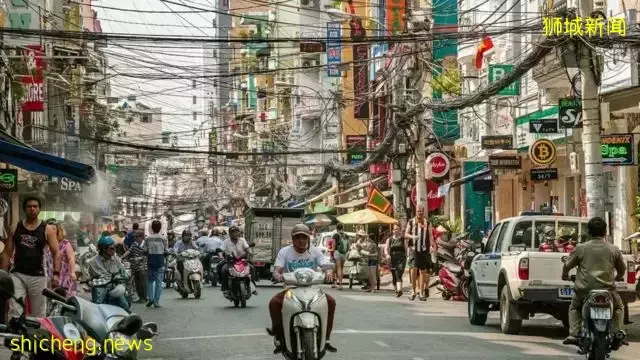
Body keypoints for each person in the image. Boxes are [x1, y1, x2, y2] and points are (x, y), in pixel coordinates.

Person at [266, 224, 337, 354]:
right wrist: (277, 275)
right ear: (293, 240)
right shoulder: (285, 251)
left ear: (308, 239)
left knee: (331, 302)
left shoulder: (315, 251)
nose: (301, 240)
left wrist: (329, 272)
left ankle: (326, 338)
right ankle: (279, 335)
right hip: (290, 289)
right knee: (274, 303)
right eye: (298, 237)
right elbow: (277, 270)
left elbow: (325, 265)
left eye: (304, 237)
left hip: (313, 289)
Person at [562, 217, 627, 347]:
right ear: (605, 232)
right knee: (619, 307)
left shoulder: (581, 248)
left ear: (589, 232)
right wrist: (619, 276)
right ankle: (618, 331)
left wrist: (564, 275)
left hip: (584, 291)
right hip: (608, 291)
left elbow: (567, 266)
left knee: (574, 307)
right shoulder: (613, 249)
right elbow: (622, 269)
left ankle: (574, 334)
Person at [3, 195, 61, 317]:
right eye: (29, 206)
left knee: (38, 313)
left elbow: (56, 252)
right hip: (17, 274)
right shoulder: (15, 227)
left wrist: (56, 274)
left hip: (38, 276)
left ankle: (36, 336)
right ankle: (15, 335)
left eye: (35, 206)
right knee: (15, 310)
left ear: (39, 209)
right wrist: (3, 273)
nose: (32, 209)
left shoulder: (47, 229)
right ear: (25, 209)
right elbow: (8, 252)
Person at [87, 236, 129, 311]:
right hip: (101, 288)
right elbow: (100, 277)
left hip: (114, 287)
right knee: (99, 308)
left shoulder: (116, 259)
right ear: (103, 249)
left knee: (125, 307)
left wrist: (123, 275)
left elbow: (122, 271)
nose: (114, 250)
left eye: (115, 247)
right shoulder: (93, 262)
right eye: (112, 248)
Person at [405, 207, 434, 301]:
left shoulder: (427, 223)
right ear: (416, 212)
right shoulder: (411, 222)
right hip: (413, 249)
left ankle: (421, 293)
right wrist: (413, 236)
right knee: (413, 269)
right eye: (418, 211)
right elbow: (406, 234)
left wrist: (431, 246)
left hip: (424, 250)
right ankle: (413, 291)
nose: (420, 212)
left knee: (422, 271)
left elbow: (430, 235)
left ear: (423, 212)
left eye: (421, 211)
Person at [219, 225, 257, 295]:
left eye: (236, 232)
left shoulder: (242, 240)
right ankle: (224, 288)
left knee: (251, 267)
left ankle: (253, 286)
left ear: (239, 233)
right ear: (230, 233)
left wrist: (251, 253)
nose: (235, 234)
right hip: (230, 261)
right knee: (223, 269)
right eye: (233, 232)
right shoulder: (226, 241)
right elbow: (221, 250)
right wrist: (221, 256)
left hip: (242, 260)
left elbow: (247, 248)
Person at [45, 222, 78, 297]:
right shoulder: (46, 244)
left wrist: (73, 272)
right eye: (49, 229)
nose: (51, 231)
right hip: (49, 273)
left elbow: (71, 258)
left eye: (53, 229)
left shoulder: (65, 243)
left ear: (58, 231)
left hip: (64, 275)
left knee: (63, 297)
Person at [145, 220, 168, 308]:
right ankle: (156, 301)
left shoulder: (147, 238)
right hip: (160, 261)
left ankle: (150, 298)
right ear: (160, 228)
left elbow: (145, 251)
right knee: (159, 282)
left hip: (150, 261)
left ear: (152, 228)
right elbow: (166, 250)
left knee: (150, 281)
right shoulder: (164, 238)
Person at [122, 229, 147, 304]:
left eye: (137, 237)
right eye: (135, 237)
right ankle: (141, 298)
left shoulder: (145, 244)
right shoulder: (134, 244)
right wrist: (122, 257)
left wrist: (139, 258)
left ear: (141, 237)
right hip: (135, 266)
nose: (135, 238)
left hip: (143, 266)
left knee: (143, 283)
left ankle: (145, 297)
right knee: (137, 283)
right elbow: (129, 251)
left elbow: (147, 255)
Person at [384, 223, 407, 297]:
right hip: (392, 259)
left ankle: (400, 290)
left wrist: (407, 257)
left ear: (400, 230)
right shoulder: (389, 239)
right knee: (394, 275)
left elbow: (406, 250)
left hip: (401, 258)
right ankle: (396, 290)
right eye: (394, 229)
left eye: (397, 229)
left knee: (399, 273)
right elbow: (386, 249)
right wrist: (387, 255)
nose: (395, 231)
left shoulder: (403, 239)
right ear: (392, 230)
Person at [331, 223, 348, 290]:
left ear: (336, 228)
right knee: (340, 268)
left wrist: (332, 250)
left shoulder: (335, 235)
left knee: (338, 268)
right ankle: (335, 282)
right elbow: (348, 245)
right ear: (342, 228)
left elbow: (334, 244)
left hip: (337, 252)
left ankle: (340, 284)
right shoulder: (346, 235)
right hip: (344, 253)